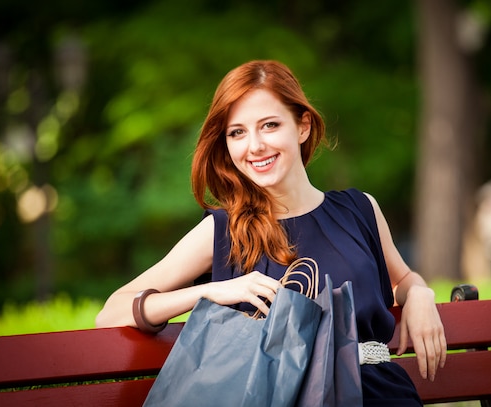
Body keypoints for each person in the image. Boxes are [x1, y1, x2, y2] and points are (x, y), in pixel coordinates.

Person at [96, 60, 446, 406]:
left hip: (379, 395)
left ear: (303, 126)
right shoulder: (223, 231)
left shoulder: (360, 210)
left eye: (269, 125)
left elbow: (402, 280)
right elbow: (111, 313)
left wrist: (419, 294)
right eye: (238, 132)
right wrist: (214, 291)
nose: (255, 146)